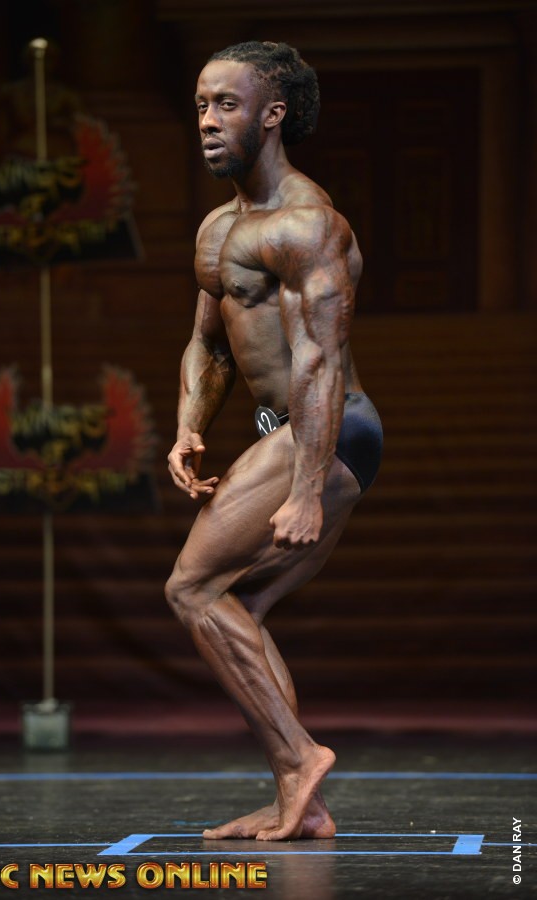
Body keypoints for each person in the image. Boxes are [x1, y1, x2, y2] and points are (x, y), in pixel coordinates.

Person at [165, 41, 382, 842]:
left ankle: (300, 760)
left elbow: (319, 358)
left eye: (226, 104)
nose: (207, 120)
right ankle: (305, 800)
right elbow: (209, 345)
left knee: (192, 589)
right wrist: (189, 425)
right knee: (239, 608)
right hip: (283, 429)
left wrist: (304, 488)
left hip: (329, 428)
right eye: (201, 104)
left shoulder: (307, 223)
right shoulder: (220, 228)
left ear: (273, 115)